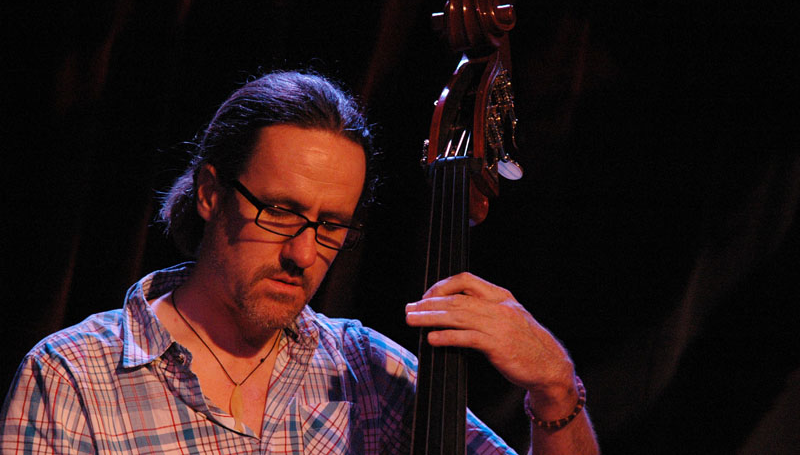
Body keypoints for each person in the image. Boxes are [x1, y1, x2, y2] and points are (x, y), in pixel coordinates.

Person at [1, 71, 599, 454]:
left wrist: (553, 387)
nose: (304, 254)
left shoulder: (367, 371)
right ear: (211, 193)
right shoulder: (72, 377)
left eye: (331, 225)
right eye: (280, 213)